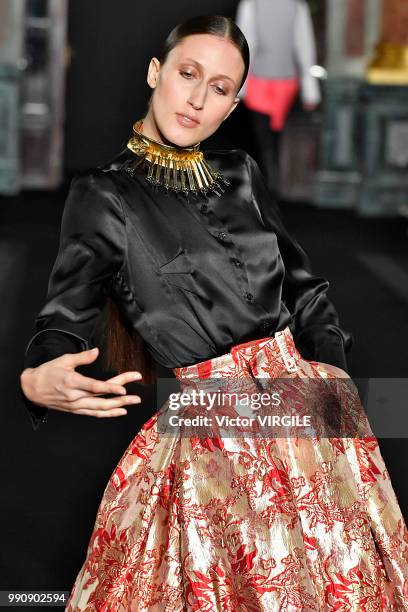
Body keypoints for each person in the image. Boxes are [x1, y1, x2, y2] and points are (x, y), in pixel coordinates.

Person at [20, 14, 408, 611]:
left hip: (311, 416)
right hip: (213, 426)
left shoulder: (242, 174)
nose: (199, 99)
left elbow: (306, 292)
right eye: (189, 74)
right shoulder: (104, 194)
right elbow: (64, 316)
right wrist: (39, 373)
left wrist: (333, 380)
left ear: (232, 107)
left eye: (221, 88)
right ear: (157, 73)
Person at [235, 0, 321, 196]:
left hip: (272, 83)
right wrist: (310, 90)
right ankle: (273, 187)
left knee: (267, 139)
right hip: (275, 82)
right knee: (270, 139)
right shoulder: (294, 7)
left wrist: (240, 88)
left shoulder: (253, 5)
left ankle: (272, 187)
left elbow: (247, 46)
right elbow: (304, 47)